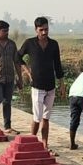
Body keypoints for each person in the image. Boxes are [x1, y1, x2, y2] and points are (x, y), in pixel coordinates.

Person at [18, 17, 65, 152]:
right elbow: (17, 56)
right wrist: (27, 71)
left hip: (50, 85)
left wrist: (61, 84)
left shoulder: (53, 44)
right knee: (37, 117)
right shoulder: (30, 43)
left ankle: (45, 145)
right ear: (36, 30)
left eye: (46, 29)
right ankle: (31, 142)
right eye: (41, 30)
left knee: (46, 117)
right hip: (37, 85)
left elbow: (57, 64)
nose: (44, 32)